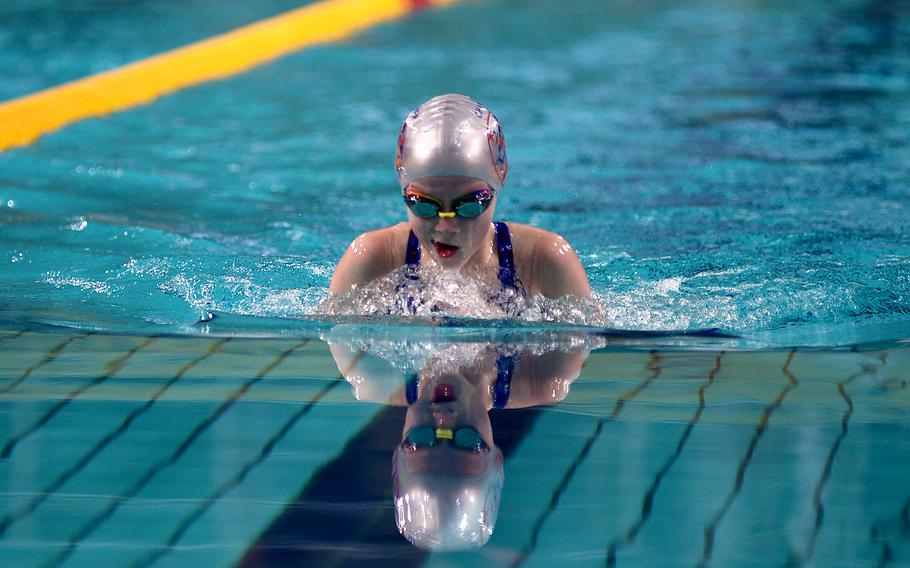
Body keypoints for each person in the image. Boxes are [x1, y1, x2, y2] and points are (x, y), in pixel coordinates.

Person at [329, 94, 590, 310]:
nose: (446, 226)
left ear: (498, 183)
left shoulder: (544, 262)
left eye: (470, 205)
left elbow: (583, 350)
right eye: (423, 205)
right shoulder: (372, 260)